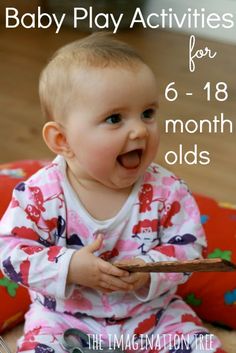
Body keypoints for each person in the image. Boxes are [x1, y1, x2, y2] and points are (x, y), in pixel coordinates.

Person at [0, 33, 225, 353]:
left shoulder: (166, 191)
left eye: (148, 113)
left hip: (152, 316)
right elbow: (10, 254)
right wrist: (70, 267)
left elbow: (189, 248)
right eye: (115, 118)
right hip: (64, 319)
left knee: (199, 344)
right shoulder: (40, 194)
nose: (139, 130)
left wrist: (149, 272)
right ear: (62, 140)